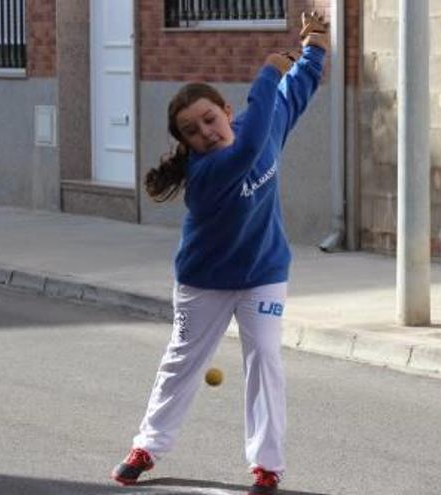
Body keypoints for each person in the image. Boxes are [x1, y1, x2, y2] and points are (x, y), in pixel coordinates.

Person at [111, 11, 329, 495]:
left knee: (265, 357)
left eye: (210, 119)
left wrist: (315, 41)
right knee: (183, 360)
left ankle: (267, 466)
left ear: (226, 111)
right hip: (204, 282)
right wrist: (270, 69)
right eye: (193, 130)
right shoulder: (207, 174)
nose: (206, 131)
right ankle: (147, 446)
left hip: (264, 272)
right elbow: (250, 147)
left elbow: (302, 86)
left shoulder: (261, 125)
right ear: (186, 143)